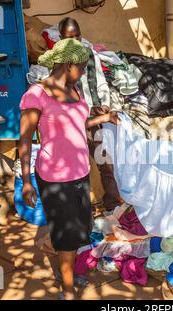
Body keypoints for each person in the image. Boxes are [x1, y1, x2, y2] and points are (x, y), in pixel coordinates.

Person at [19, 39, 120, 300]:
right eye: (83, 67)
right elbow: (25, 139)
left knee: (77, 229)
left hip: (79, 172)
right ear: (68, 64)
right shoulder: (36, 94)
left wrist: (105, 118)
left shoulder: (74, 91)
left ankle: (67, 273)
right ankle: (67, 289)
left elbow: (79, 123)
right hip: (54, 176)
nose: (84, 72)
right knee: (65, 234)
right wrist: (26, 180)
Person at [58, 17, 122, 213]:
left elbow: (100, 82)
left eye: (77, 36)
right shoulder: (58, 61)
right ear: (61, 38)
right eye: (70, 37)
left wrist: (104, 104)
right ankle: (81, 210)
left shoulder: (89, 54)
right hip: (71, 122)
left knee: (105, 162)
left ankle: (111, 204)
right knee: (77, 169)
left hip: (93, 119)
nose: (75, 41)